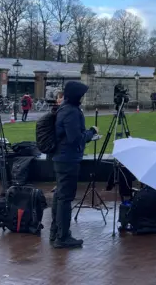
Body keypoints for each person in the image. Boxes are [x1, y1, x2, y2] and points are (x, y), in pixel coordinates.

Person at [50, 81, 98, 249]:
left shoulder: (65, 108)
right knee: (65, 198)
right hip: (68, 159)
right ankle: (62, 237)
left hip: (62, 158)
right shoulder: (71, 111)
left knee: (60, 195)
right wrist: (91, 132)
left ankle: (56, 232)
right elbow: (75, 138)